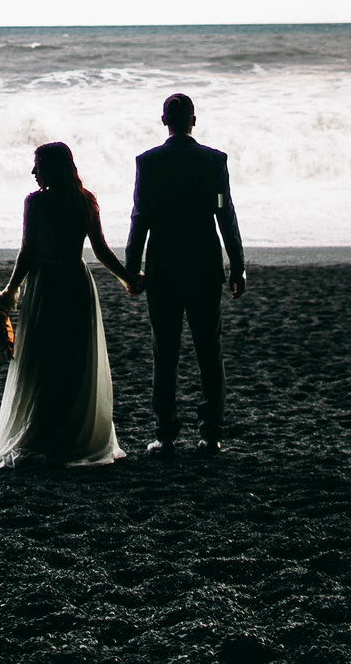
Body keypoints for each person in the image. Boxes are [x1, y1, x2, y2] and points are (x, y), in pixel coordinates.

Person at [0, 141, 135, 467]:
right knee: (72, 361)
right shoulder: (85, 201)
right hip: (76, 284)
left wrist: (11, 290)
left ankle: (42, 430)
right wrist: (127, 278)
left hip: (46, 286)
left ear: (51, 167)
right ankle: (71, 434)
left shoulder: (36, 203)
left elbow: (27, 252)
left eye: (37, 165)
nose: (32, 172)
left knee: (44, 361)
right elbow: (101, 251)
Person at [125, 91, 246, 453]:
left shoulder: (149, 162)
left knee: (165, 351)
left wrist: (133, 268)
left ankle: (165, 433)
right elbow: (224, 211)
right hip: (205, 264)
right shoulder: (213, 161)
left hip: (163, 265)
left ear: (164, 121)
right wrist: (237, 265)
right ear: (194, 120)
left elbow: (140, 216)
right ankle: (211, 433)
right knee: (209, 349)